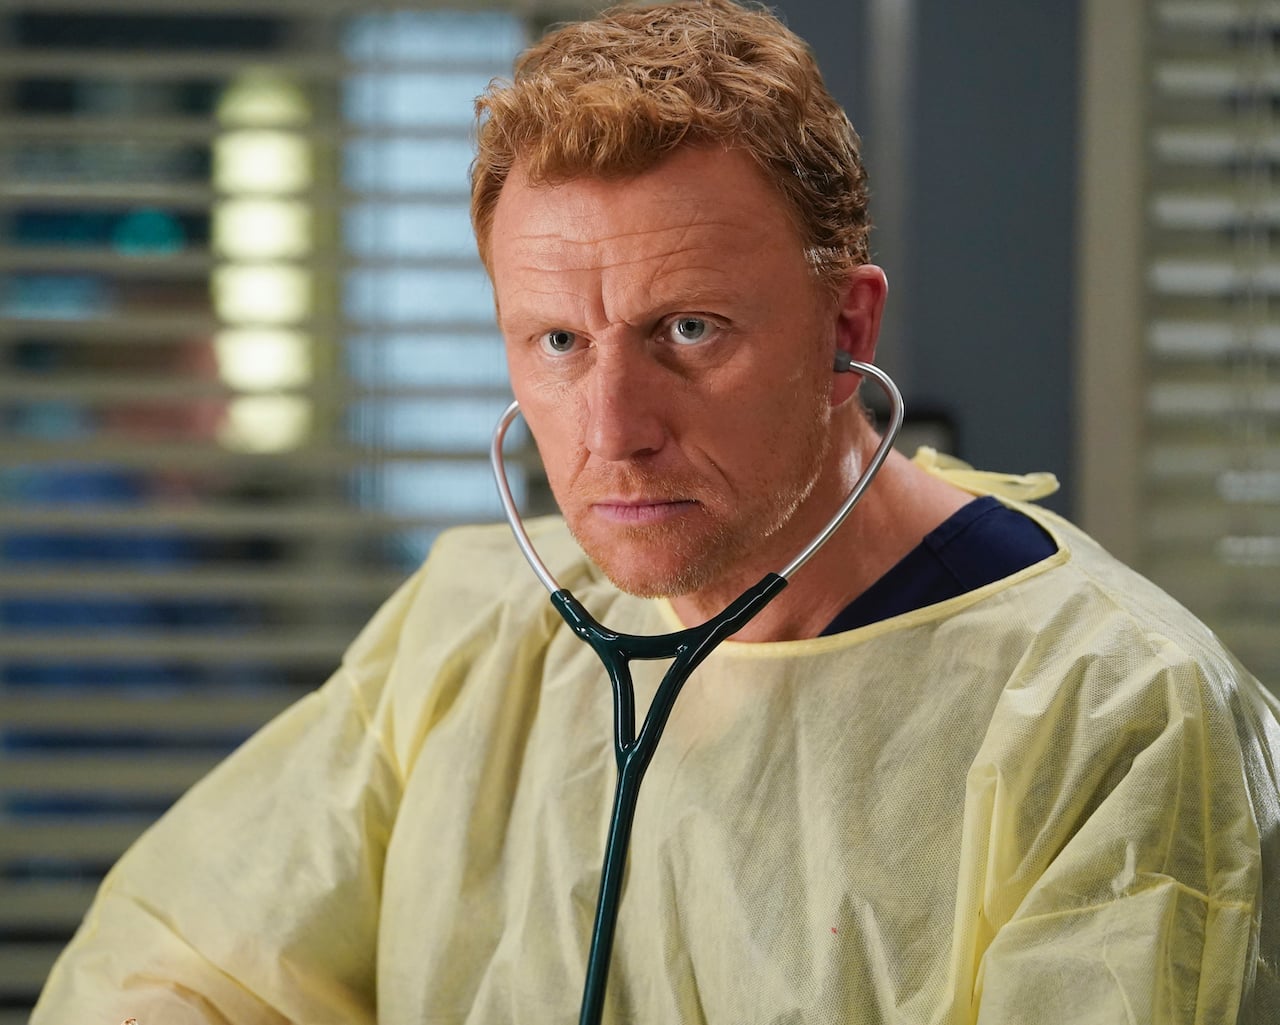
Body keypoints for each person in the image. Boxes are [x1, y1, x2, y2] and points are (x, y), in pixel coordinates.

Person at [31, 1, 1280, 1022]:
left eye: (688, 329)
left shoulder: (1114, 716)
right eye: (557, 341)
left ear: (845, 328)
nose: (613, 425)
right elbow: (175, 963)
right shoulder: (475, 628)